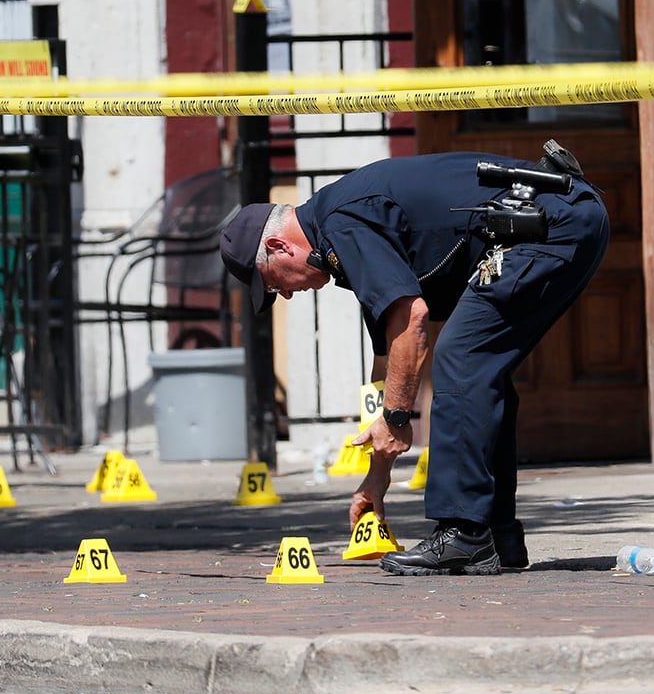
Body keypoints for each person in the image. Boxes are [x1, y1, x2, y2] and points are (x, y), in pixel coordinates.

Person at [220, 149, 609, 576]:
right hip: (563, 219)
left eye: (274, 283)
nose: (287, 295)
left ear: (278, 246)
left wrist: (398, 419)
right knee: (479, 370)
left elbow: (413, 321)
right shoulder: (341, 236)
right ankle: (496, 536)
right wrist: (377, 475)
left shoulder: (342, 224)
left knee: (463, 358)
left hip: (550, 225)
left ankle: (464, 532)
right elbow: (389, 362)